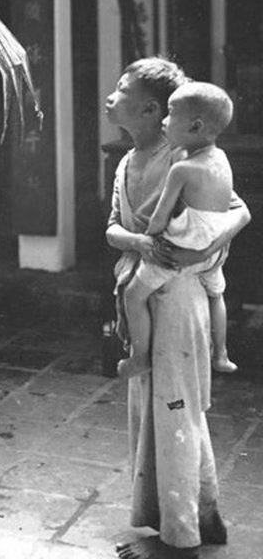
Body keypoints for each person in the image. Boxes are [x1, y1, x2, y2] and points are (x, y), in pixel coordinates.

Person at [105, 57, 250, 559]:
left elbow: (238, 210)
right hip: (143, 291)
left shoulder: (186, 159)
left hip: (180, 299)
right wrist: (139, 244)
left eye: (120, 90)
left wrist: (200, 251)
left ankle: (178, 541)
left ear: (149, 110)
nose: (111, 96)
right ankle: (198, 515)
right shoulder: (127, 163)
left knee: (176, 411)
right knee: (160, 411)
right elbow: (113, 229)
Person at [118, 81, 238, 380]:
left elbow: (158, 219)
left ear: (195, 126)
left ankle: (139, 357)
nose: (164, 122)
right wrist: (210, 250)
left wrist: (151, 236)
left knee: (133, 296)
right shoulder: (219, 159)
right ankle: (221, 353)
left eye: (169, 115)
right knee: (217, 294)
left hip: (177, 254)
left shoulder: (181, 165)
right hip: (212, 251)